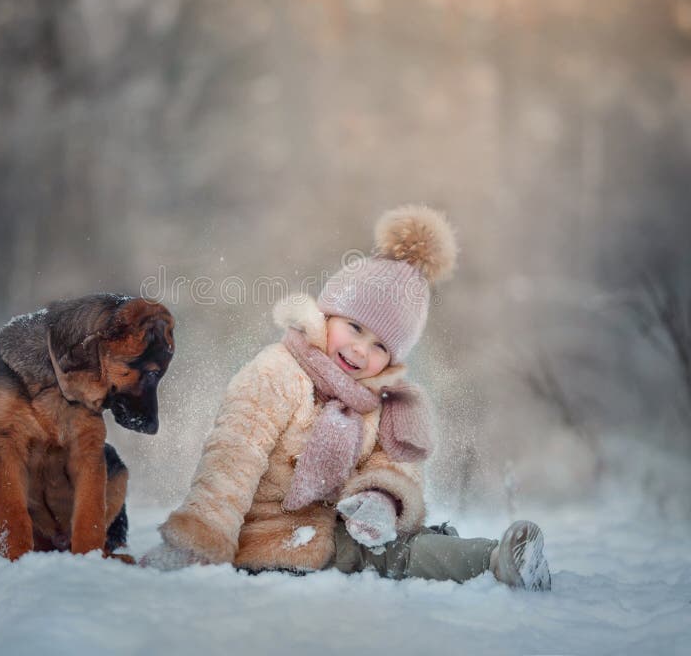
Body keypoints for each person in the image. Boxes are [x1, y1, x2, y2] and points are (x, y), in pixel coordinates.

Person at [141, 205, 551, 591]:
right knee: (396, 555)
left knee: (409, 540)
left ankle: (501, 559)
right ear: (328, 314)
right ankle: (492, 563)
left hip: (336, 529)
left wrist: (378, 501)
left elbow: (393, 465)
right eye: (354, 327)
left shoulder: (378, 402)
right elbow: (233, 457)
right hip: (272, 536)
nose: (359, 351)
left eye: (379, 346)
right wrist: (198, 541)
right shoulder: (278, 371)